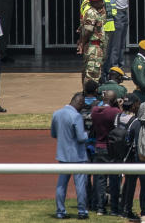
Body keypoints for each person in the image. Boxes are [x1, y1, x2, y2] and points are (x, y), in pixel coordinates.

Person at [51, 92, 91, 220]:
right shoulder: (76, 116)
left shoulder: (56, 113)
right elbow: (80, 138)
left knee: (61, 185)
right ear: (78, 102)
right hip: (77, 157)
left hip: (63, 155)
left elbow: (53, 134)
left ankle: (60, 211)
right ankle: (82, 211)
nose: (83, 106)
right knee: (80, 185)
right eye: (82, 104)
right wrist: (88, 135)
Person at [79, 0, 107, 84]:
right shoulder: (91, 13)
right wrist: (82, 43)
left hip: (98, 47)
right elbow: (88, 31)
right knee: (92, 75)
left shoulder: (99, 11)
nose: (102, 2)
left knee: (96, 73)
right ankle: (89, 97)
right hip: (93, 47)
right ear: (94, 2)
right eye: (100, 1)